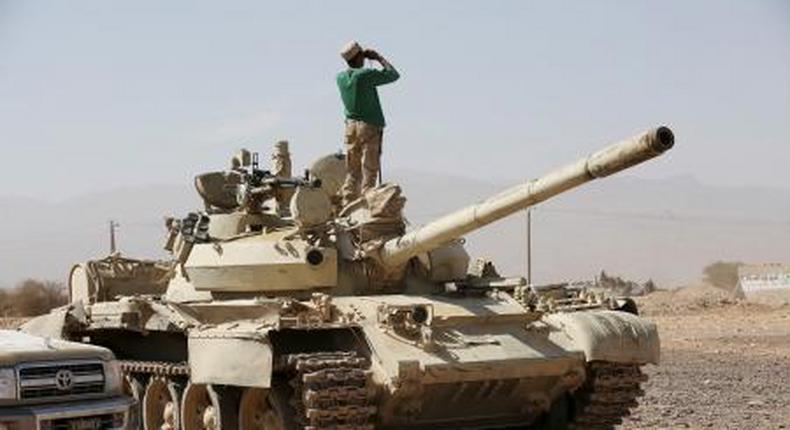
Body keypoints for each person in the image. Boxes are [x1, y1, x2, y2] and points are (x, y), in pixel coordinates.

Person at [336, 41, 400, 206]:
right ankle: (367, 203)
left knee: (353, 170)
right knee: (369, 169)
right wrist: (378, 57)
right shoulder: (364, 75)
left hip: (350, 127)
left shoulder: (341, 78)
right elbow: (393, 74)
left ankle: (347, 201)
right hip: (368, 126)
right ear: (359, 57)